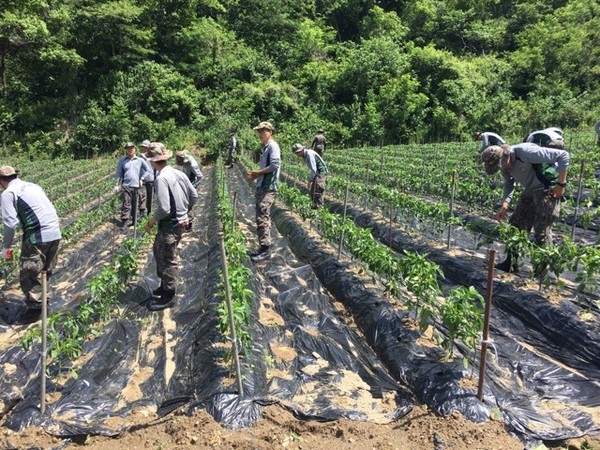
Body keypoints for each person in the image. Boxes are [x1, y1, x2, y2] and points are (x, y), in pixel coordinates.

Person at [481, 143, 569, 272]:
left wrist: (561, 184)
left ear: (507, 155)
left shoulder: (526, 152)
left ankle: (542, 271)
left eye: (503, 164)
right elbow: (509, 183)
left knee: (542, 230)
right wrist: (505, 204)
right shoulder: (504, 165)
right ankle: (511, 263)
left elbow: (563, 155)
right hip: (531, 189)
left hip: (547, 189)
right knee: (515, 225)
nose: (503, 168)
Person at [144, 146, 198, 311]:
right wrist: (184, 213)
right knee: (158, 250)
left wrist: (151, 221)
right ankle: (163, 285)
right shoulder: (179, 173)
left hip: (169, 225)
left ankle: (169, 296)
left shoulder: (161, 179)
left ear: (153, 162)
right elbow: (194, 195)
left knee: (168, 258)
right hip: (179, 223)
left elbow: (164, 209)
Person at [0, 166, 61, 309]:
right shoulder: (33, 186)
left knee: (30, 274)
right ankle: (44, 304)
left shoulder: (8, 193)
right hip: (55, 232)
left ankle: (36, 311)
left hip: (37, 236)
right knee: (45, 271)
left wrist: (5, 249)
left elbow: (9, 225)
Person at [247, 121, 281, 261]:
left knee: (263, 217)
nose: (260, 134)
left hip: (267, 188)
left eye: (263, 131)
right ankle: (262, 247)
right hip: (262, 186)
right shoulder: (266, 147)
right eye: (259, 131)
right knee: (261, 216)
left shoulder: (273, 146)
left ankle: (266, 250)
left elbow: (274, 165)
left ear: (270, 132)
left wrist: (257, 173)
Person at [115, 142, 149, 228]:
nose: (130, 150)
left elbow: (148, 170)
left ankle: (134, 221)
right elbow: (118, 173)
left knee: (136, 204)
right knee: (126, 204)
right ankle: (125, 222)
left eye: (131, 148)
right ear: (126, 150)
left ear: (135, 149)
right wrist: (116, 184)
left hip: (137, 186)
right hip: (126, 185)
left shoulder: (140, 160)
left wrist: (142, 179)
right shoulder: (122, 160)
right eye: (128, 148)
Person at [292, 143, 329, 209]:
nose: (297, 155)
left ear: (301, 150)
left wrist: (310, 180)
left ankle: (319, 211)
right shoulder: (305, 154)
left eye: (297, 153)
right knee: (313, 192)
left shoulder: (309, 154)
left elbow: (313, 169)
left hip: (321, 173)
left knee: (317, 192)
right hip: (317, 173)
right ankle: (315, 209)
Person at [139, 140, 155, 214]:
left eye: (145, 147)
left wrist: (145, 157)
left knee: (150, 196)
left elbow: (152, 162)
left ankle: (149, 212)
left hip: (150, 178)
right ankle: (143, 212)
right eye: (143, 147)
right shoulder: (140, 156)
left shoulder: (153, 155)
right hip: (142, 179)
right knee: (142, 196)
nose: (144, 148)